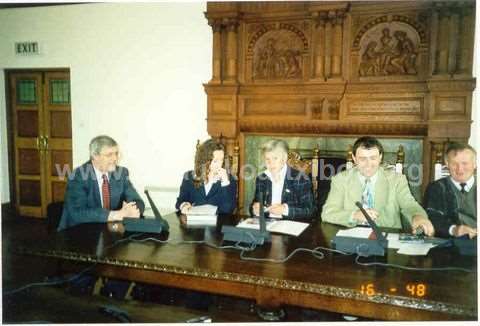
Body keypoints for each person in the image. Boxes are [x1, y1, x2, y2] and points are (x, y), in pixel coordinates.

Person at [322, 136, 434, 235]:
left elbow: (409, 205)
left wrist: (418, 217)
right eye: (362, 159)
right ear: (354, 158)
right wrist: (354, 215)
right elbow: (328, 213)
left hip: (386, 240)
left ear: (380, 157)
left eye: (373, 158)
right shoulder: (341, 180)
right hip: (352, 239)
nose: (368, 164)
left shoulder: (397, 180)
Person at [58, 135, 144, 231]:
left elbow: (137, 200)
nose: (115, 158)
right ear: (95, 156)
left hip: (108, 231)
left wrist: (134, 211)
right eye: (109, 155)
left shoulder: (121, 173)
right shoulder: (78, 176)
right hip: (77, 233)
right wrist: (116, 215)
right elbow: (77, 213)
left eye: (116, 153)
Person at [250, 139, 314, 219]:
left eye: (275, 158)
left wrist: (285, 210)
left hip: (290, 226)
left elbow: (310, 211)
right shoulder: (262, 179)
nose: (271, 163)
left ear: (284, 159)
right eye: (267, 159)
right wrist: (255, 209)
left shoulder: (301, 179)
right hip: (267, 224)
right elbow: (254, 205)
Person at [424, 142, 477, 238]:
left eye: (465, 163)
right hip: (449, 244)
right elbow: (433, 217)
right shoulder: (436, 188)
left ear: (475, 164)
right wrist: (454, 229)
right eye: (454, 164)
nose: (460, 169)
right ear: (447, 164)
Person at [176, 139, 237, 214]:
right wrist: (184, 205)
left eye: (221, 160)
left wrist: (225, 183)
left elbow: (228, 209)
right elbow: (180, 201)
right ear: (204, 160)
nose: (219, 164)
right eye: (215, 161)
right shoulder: (189, 177)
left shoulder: (229, 179)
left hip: (218, 223)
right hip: (194, 223)